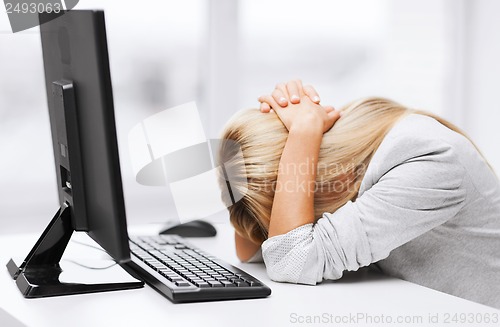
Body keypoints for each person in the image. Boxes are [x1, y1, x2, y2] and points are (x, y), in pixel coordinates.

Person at [218, 80, 500, 309]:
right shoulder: (351, 144)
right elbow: (252, 249)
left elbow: (290, 260)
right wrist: (255, 146)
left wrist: (303, 132)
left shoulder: (426, 159)